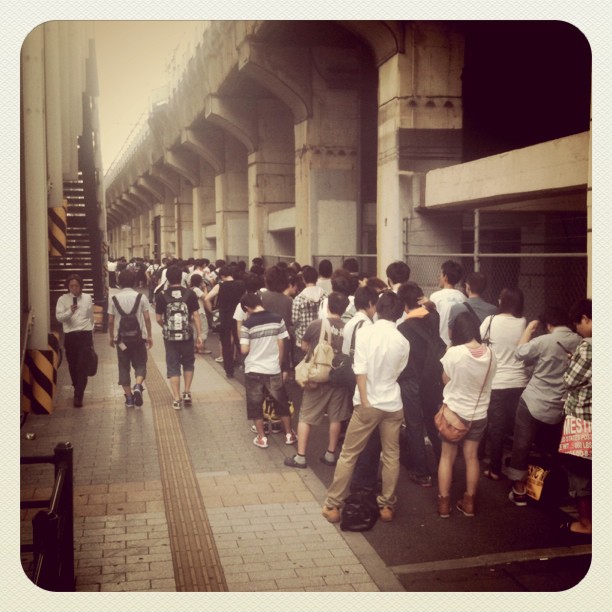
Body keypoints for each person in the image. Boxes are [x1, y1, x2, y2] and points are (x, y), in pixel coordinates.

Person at [321, 291, 410, 523]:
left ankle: (333, 506)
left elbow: (359, 369)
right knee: (391, 456)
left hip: (368, 402)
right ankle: (387, 506)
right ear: (399, 313)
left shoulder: (366, 332)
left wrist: (364, 399)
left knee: (349, 454)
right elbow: (399, 372)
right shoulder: (403, 341)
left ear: (377, 308)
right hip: (392, 403)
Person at [506, 307, 581, 506]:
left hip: (533, 401)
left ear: (548, 325)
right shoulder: (580, 342)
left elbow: (519, 353)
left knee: (521, 444)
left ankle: (519, 490)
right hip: (560, 405)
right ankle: (561, 487)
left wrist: (528, 330)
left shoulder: (543, 341)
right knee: (558, 448)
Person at [437, 312, 496, 518]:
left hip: (454, 414)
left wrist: (448, 352)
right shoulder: (490, 354)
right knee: (471, 457)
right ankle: (469, 503)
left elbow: (446, 379)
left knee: (447, 457)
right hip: (478, 414)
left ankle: (444, 504)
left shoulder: (455, 353)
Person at [284, 292, 351, 469]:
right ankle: (330, 454)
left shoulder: (317, 324)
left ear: (327, 306)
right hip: (338, 379)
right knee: (335, 417)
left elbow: (304, 346)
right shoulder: (348, 327)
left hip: (317, 378)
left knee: (306, 416)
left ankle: (300, 457)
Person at [397, 282, 446, 487]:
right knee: (432, 422)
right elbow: (432, 309)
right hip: (433, 380)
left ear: (403, 304)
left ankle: (421, 472)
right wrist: (429, 303)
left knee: (415, 425)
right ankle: (444, 462)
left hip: (412, 381)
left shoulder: (402, 328)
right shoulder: (433, 318)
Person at [479, 288, 529, 481]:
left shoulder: (490, 321)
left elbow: (481, 344)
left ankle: (494, 469)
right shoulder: (523, 322)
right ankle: (518, 470)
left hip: (497, 382)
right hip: (519, 381)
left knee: (497, 427)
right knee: (518, 427)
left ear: (502, 302)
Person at [239, 292, 297, 448]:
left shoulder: (247, 325)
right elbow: (282, 343)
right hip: (272, 368)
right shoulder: (278, 319)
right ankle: (289, 435)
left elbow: (244, 350)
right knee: (281, 402)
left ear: (247, 308)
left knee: (255, 404)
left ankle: (262, 438)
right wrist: (278, 363)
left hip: (253, 369)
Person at [559, 298, 592, 537]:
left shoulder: (588, 345)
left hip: (582, 418)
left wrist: (571, 364)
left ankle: (585, 523)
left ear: (586, 319)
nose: (577, 330)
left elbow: (569, 381)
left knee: (579, 472)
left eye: (578, 324)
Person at [155, 265, 203, 409]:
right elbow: (195, 315)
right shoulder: (190, 293)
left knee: (173, 365)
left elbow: (158, 318)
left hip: (170, 338)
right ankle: (187, 392)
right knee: (188, 363)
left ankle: (176, 399)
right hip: (187, 335)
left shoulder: (161, 295)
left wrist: (166, 327)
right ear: (181, 278)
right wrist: (199, 335)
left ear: (167, 279)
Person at [107, 268, 153, 408]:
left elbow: (110, 320)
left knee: (123, 367)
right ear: (134, 281)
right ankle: (138, 386)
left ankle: (129, 399)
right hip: (138, 339)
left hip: (121, 340)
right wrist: (149, 335)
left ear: (120, 282)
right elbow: (146, 318)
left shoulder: (114, 299)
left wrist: (111, 337)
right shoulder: (141, 297)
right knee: (140, 364)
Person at [55, 274, 95, 407]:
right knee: (73, 365)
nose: (74, 288)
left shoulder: (87, 298)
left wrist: (91, 329)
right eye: (71, 286)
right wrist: (69, 312)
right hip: (70, 336)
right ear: (67, 287)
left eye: (76, 286)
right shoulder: (62, 299)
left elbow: (90, 315)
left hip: (85, 335)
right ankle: (77, 386)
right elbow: (59, 318)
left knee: (82, 366)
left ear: (81, 286)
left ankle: (78, 395)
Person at [205, 265, 245, 378]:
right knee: (240, 341)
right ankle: (246, 365)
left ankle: (229, 371)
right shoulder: (241, 284)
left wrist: (212, 310)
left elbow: (207, 298)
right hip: (239, 317)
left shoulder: (220, 286)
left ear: (222, 276)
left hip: (225, 318)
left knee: (226, 344)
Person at [291, 265, 327, 365]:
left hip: (302, 340)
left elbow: (294, 320)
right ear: (317, 278)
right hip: (321, 340)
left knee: (302, 372)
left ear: (303, 279)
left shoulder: (299, 299)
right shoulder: (325, 295)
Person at [429, 260, 467, 347]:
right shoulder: (463, 297)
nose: (439, 277)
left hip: (440, 343)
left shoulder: (435, 297)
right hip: (458, 344)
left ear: (445, 277)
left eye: (440, 274)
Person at [189, 273, 211, 355]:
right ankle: (201, 348)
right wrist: (205, 288)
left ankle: (195, 347)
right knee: (203, 330)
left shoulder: (190, 289)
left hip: (192, 313)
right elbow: (206, 297)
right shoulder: (196, 290)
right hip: (200, 313)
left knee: (195, 331)